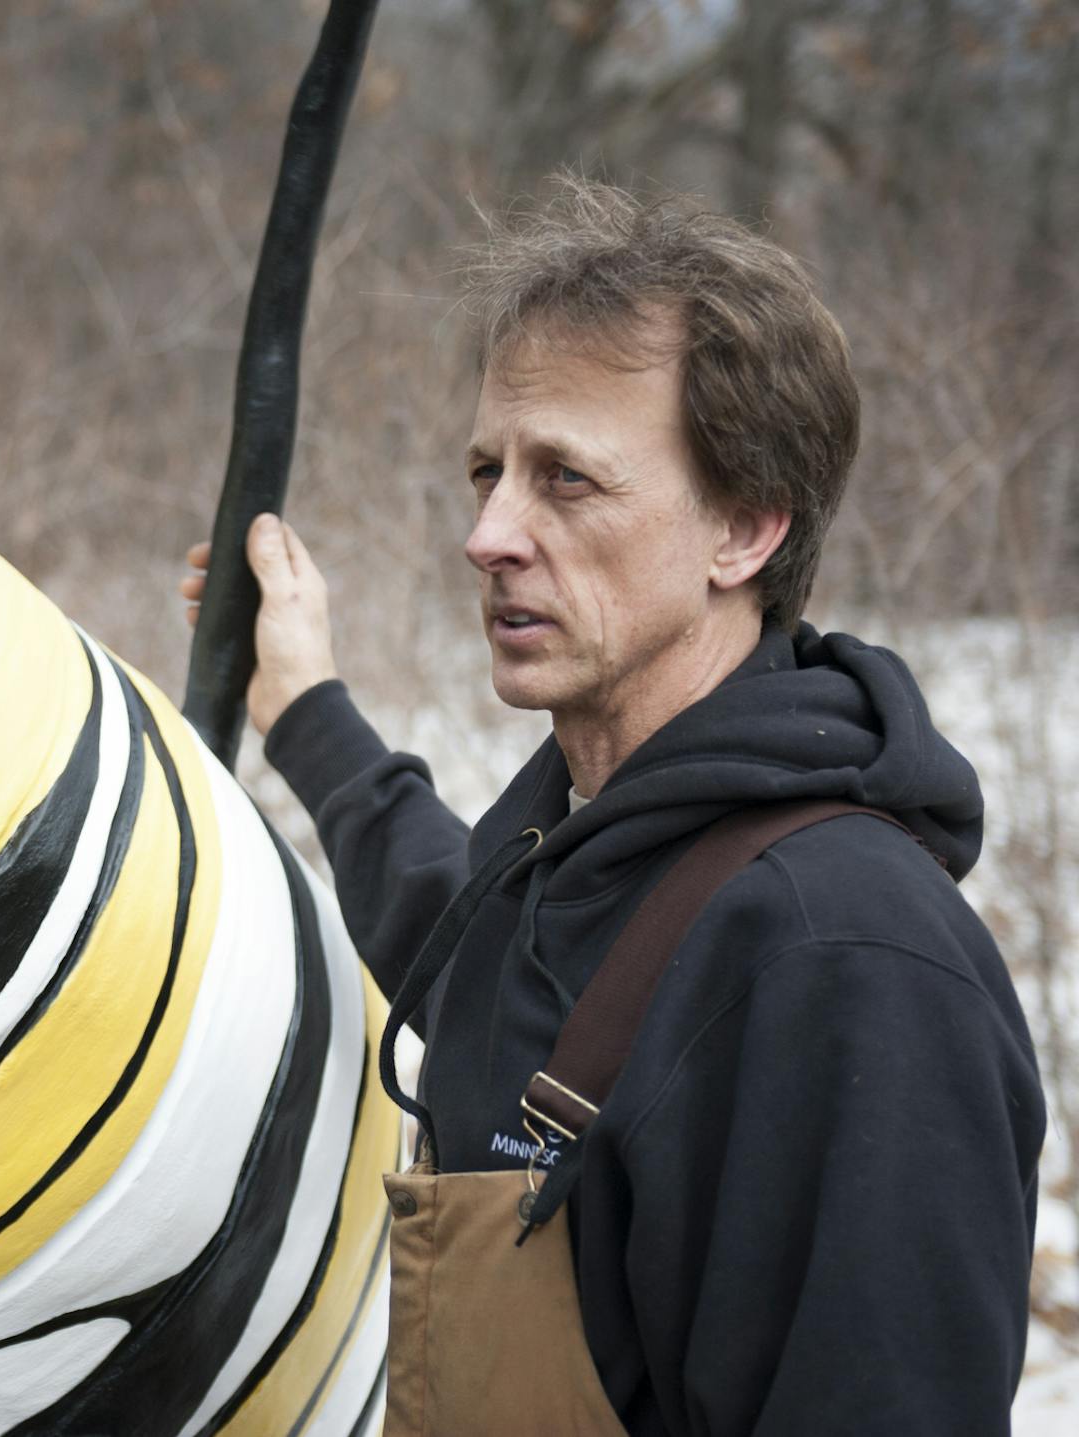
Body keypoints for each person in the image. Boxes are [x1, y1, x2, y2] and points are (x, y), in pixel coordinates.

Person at [182, 179, 1044, 1435]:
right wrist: (305, 706)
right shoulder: (578, 848)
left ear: (743, 528)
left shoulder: (844, 963)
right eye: (487, 472)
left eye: (566, 482)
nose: (488, 534)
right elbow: (460, 928)